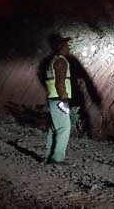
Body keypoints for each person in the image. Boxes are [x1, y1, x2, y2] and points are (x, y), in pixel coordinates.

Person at [43, 35, 74, 165]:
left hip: (53, 98)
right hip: (59, 98)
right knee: (64, 127)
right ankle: (57, 158)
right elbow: (60, 83)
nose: (69, 48)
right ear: (61, 47)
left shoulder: (52, 60)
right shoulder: (61, 61)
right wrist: (64, 100)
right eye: (67, 45)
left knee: (54, 128)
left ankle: (48, 156)